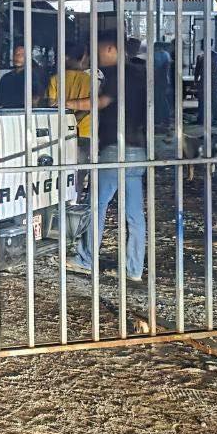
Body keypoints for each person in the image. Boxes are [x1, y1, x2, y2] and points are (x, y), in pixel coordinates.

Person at [65, 31, 147, 283]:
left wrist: (68, 104)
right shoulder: (139, 74)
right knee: (134, 214)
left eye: (100, 49)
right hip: (138, 150)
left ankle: (87, 258)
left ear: (111, 48)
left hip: (115, 150)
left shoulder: (119, 74)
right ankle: (134, 268)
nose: (97, 55)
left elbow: (100, 102)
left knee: (96, 205)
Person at [46, 41, 93, 141]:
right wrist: (75, 120)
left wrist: (68, 122)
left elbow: (51, 106)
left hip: (62, 131)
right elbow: (92, 106)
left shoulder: (55, 79)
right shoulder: (89, 79)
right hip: (85, 131)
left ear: (65, 58)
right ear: (81, 58)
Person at [0, 42, 45, 109]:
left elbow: (37, 99)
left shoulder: (33, 76)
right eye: (16, 54)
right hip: (6, 113)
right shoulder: (6, 78)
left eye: (22, 55)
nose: (18, 57)